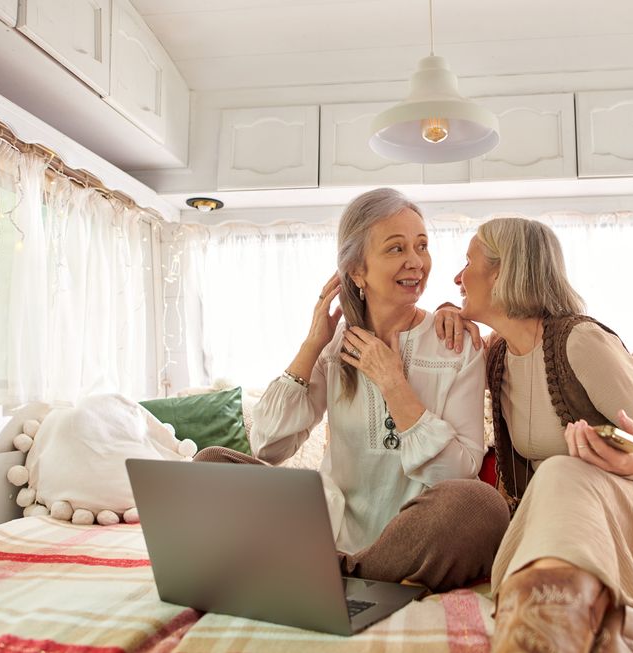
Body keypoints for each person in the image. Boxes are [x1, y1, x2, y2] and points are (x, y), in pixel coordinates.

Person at [196, 188, 508, 593]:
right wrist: (312, 344)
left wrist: (395, 385)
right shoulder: (335, 345)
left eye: (422, 246)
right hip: (327, 527)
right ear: (357, 271)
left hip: (416, 535)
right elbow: (268, 446)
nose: (416, 262)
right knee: (211, 463)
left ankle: (345, 573)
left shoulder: (456, 342)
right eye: (396, 249)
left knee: (480, 506)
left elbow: (458, 472)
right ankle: (355, 575)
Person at [443, 217, 633, 652]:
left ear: (502, 272)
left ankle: (539, 628)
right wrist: (444, 316)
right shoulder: (496, 356)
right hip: (581, 525)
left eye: (468, 262)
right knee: (554, 478)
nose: (457, 276)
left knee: (560, 472)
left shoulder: (581, 342)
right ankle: (546, 627)